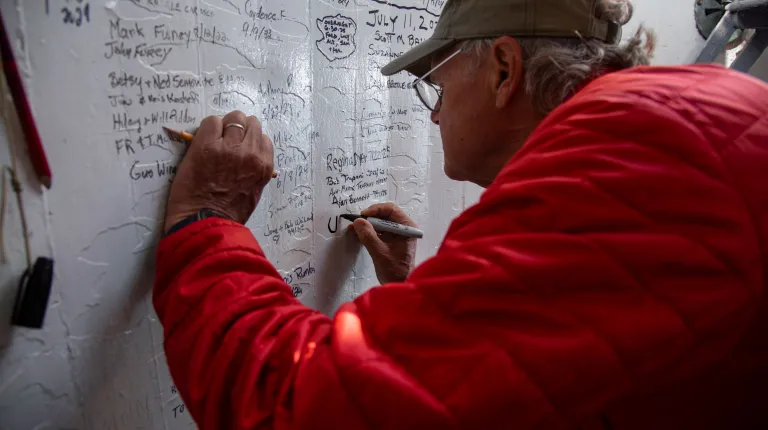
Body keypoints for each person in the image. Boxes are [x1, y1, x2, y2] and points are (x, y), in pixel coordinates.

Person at [154, 0, 768, 428]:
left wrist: (208, 221)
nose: (434, 116)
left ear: (504, 70)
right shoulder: (663, 121)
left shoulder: (624, 152)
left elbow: (310, 408)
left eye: (438, 88)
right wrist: (420, 299)